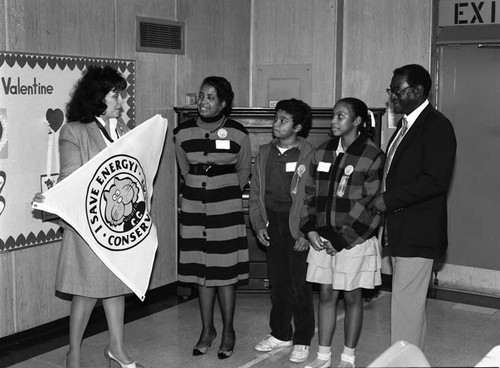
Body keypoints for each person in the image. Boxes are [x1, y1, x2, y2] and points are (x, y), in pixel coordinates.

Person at [32, 65, 143, 368]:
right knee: (87, 290)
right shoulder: (74, 131)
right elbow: (71, 178)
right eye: (115, 95)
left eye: (122, 94)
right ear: (97, 97)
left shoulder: (124, 131)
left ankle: (117, 349)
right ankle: (74, 354)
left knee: (115, 285)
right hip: (87, 225)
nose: (122, 101)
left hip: (117, 224)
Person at [369, 64, 456, 350]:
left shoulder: (436, 125)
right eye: (391, 90)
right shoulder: (405, 126)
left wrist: (387, 199)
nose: (392, 96)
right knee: (411, 308)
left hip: (419, 232)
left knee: (405, 307)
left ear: (418, 90)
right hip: (402, 229)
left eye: (398, 90)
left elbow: (435, 181)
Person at [301, 98, 384, 368]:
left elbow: (371, 206)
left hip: (353, 240)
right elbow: (310, 194)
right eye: (333, 116)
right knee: (325, 295)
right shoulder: (322, 151)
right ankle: (323, 356)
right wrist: (310, 228)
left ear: (357, 121)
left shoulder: (372, 155)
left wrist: (342, 239)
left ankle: (348, 357)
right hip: (322, 238)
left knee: (351, 296)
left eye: (341, 116)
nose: (333, 121)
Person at [173, 76, 251, 359]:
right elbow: (185, 169)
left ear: (223, 102)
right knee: (201, 271)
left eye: (210, 97)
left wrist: (223, 189)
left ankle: (228, 331)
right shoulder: (181, 132)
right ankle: (208, 330)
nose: (203, 102)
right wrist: (199, 188)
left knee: (224, 271)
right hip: (194, 207)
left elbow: (243, 171)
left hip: (225, 209)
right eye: (200, 96)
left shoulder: (238, 132)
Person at [249, 99, 315, 363]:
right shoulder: (264, 152)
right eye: (275, 119)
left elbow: (313, 196)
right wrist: (258, 224)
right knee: (278, 283)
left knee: (300, 285)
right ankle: (280, 333)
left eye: (283, 120)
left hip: (297, 225)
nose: (276, 124)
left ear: (297, 127)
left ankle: (302, 340)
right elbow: (256, 194)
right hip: (272, 224)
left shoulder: (310, 154)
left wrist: (304, 233)